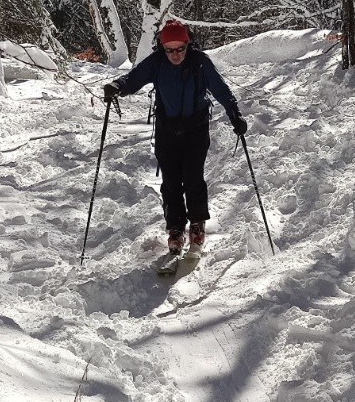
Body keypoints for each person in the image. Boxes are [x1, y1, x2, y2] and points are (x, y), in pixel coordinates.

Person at [102, 19, 247, 256]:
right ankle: (175, 228)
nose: (175, 54)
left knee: (193, 177)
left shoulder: (200, 62)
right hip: (167, 129)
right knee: (170, 182)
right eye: (170, 49)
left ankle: (197, 224)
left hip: (196, 128)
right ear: (162, 48)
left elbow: (221, 90)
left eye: (180, 48)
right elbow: (134, 78)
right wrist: (117, 86)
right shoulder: (157, 62)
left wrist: (235, 116)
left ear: (188, 45)